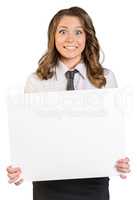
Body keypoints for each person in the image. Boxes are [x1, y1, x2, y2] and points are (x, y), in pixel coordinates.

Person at [7, 6, 130, 200]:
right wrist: (21, 170)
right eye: (63, 31)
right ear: (53, 37)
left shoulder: (105, 79)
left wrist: (120, 164)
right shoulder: (36, 81)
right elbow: (30, 136)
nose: (70, 39)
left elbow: (111, 132)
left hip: (93, 181)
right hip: (49, 183)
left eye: (78, 32)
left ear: (87, 37)